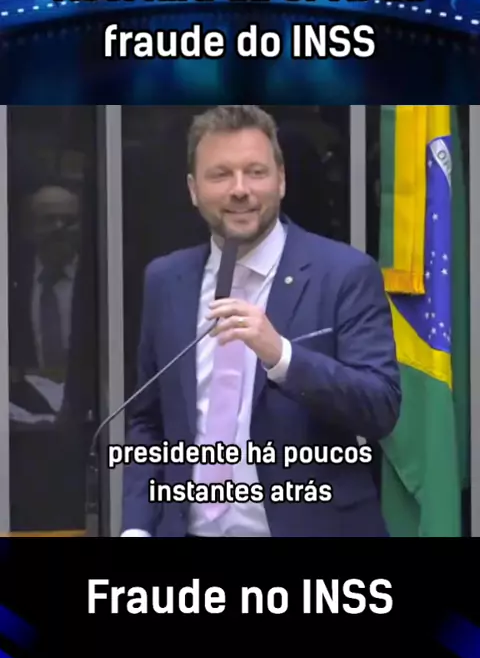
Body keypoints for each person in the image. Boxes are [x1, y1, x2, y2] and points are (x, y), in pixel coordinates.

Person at [121, 105, 401, 537]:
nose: (240, 190)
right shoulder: (166, 279)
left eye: (255, 172)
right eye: (220, 175)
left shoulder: (344, 273)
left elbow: (380, 408)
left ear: (281, 180)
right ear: (193, 189)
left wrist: (283, 356)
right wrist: (137, 528)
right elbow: (148, 422)